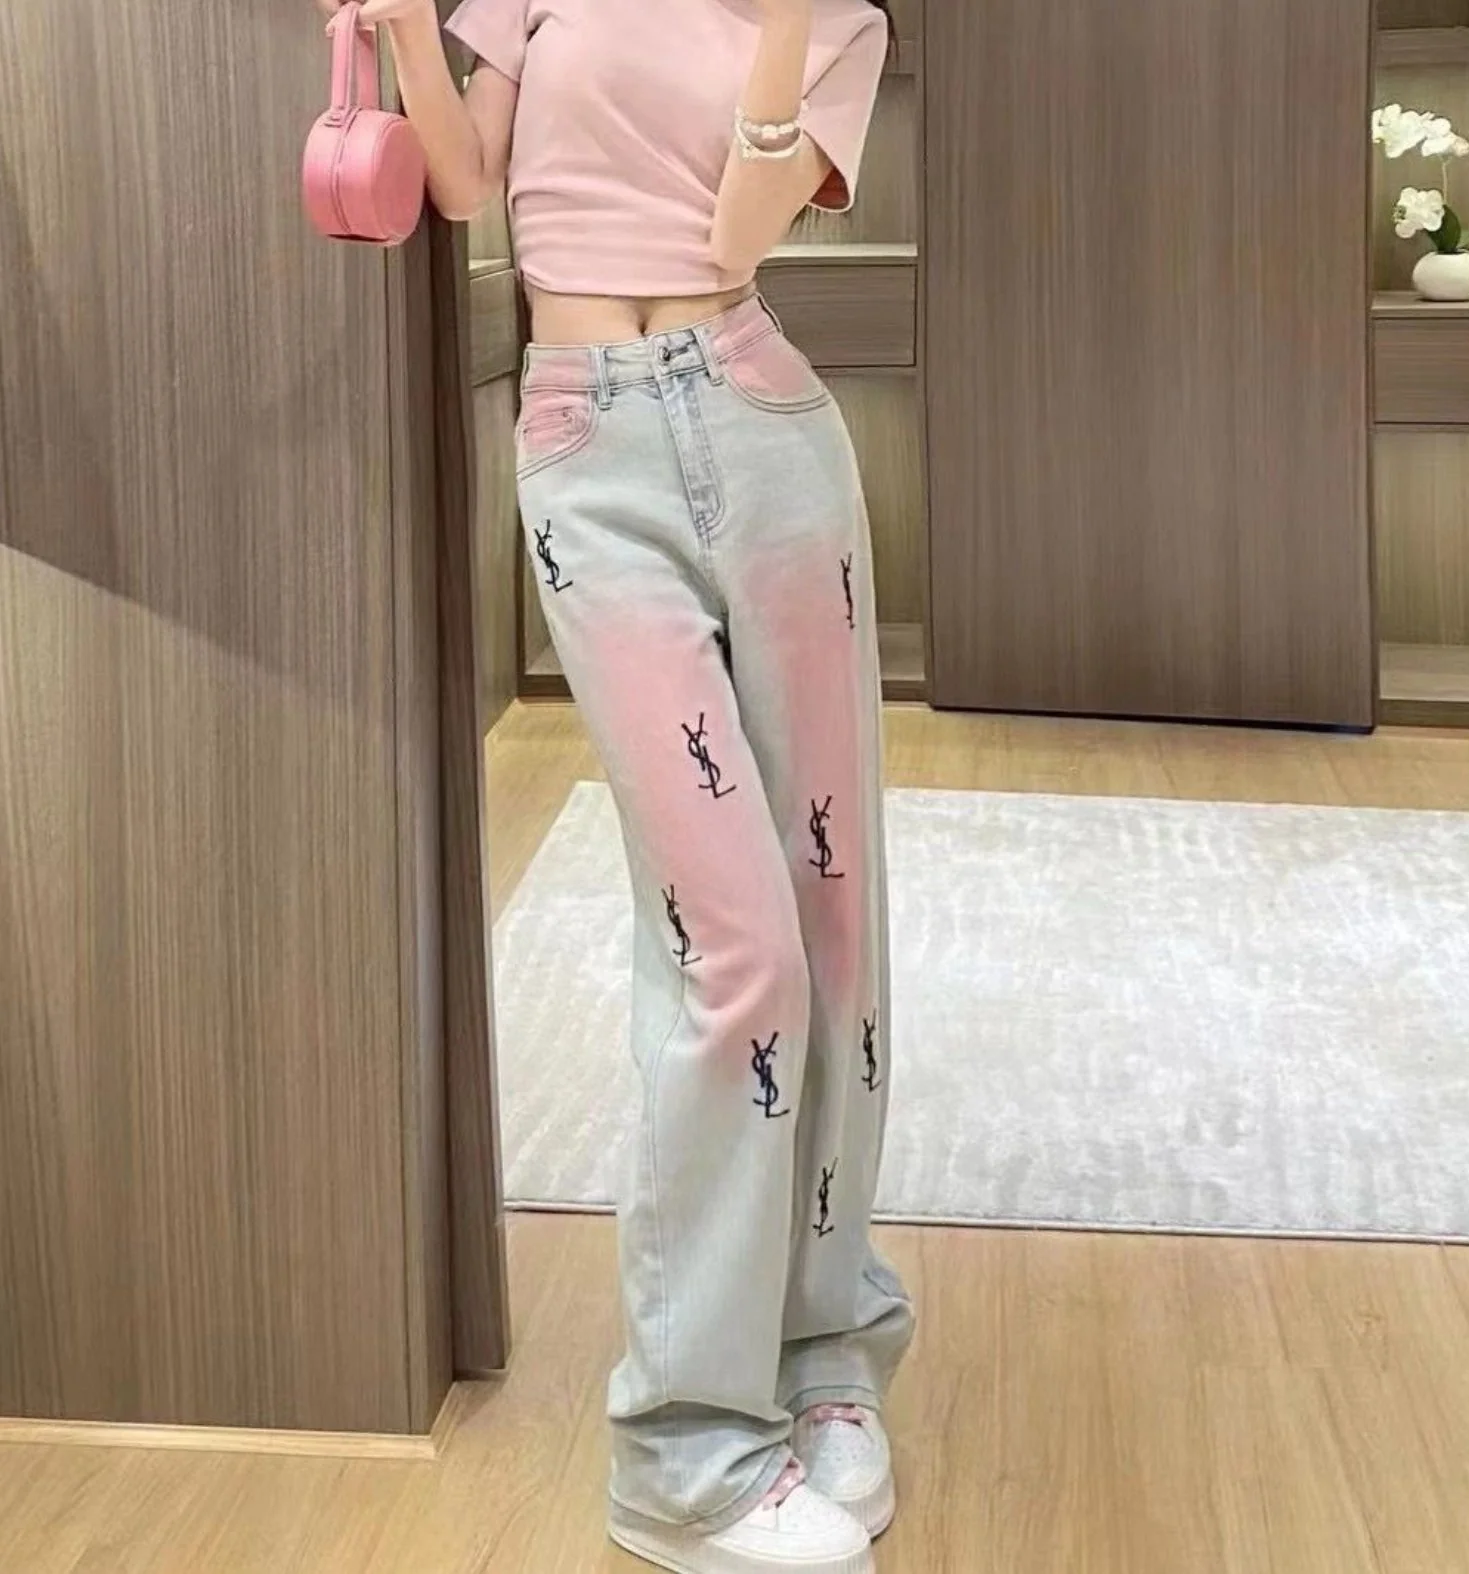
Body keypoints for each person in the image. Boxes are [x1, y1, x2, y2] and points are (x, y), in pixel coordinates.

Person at [316, 1, 914, 1568]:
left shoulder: (836, 25)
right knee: (738, 953)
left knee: (833, 933)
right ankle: (683, 1449)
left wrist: (780, 20)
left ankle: (825, 1351)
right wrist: (408, 33)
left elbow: (739, 232)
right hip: (587, 445)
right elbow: (466, 189)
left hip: (764, 427)